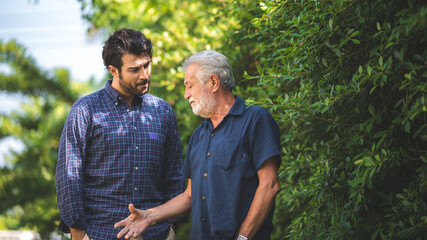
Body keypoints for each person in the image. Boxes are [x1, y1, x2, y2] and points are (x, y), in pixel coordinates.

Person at [114, 50, 282, 240]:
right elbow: (189, 196)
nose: (186, 95)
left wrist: (242, 237)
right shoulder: (198, 136)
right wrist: (149, 216)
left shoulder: (255, 120)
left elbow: (270, 185)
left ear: (213, 82)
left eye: (190, 86)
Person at [55, 28, 186, 240]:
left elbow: (174, 176)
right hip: (100, 233)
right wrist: (80, 234)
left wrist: (171, 229)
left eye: (147, 65)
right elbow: (69, 178)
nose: (144, 75)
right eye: (135, 69)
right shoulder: (85, 110)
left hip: (156, 234)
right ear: (114, 70)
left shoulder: (162, 112)